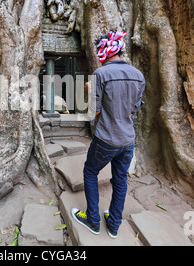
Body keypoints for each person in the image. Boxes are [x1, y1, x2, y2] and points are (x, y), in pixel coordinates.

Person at [71, 30, 145, 238]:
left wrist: (89, 90)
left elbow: (94, 110)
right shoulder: (138, 75)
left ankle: (93, 220)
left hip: (106, 139)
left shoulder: (100, 74)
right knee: (120, 180)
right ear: (119, 50)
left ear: (103, 53)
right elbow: (132, 109)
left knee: (90, 172)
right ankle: (113, 224)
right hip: (128, 140)